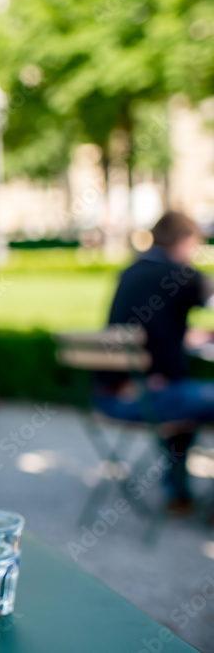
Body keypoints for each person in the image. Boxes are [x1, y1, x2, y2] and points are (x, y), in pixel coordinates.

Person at [95, 212, 214, 515]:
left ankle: (178, 493)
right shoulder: (181, 275)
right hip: (146, 399)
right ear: (185, 242)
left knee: (187, 402)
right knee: (194, 398)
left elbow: (148, 330)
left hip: (109, 395)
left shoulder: (130, 272)